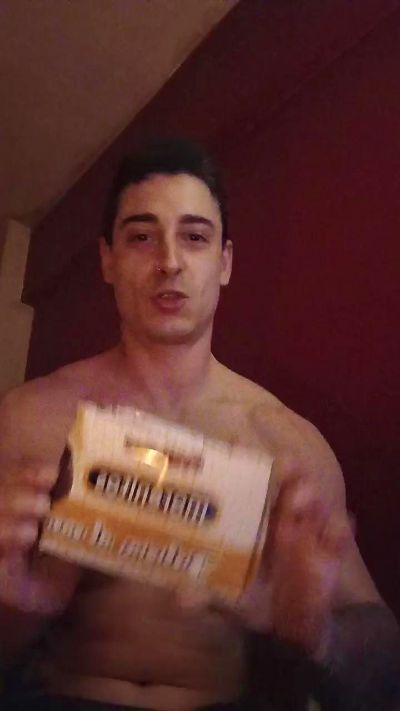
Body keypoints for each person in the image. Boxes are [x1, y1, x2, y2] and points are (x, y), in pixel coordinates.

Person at [0, 138, 398, 711]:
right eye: (141, 237)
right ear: (107, 260)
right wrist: (13, 614)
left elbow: (386, 679)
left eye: (194, 236)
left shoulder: (286, 443)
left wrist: (321, 635)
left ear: (225, 261)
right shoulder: (29, 418)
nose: (169, 261)